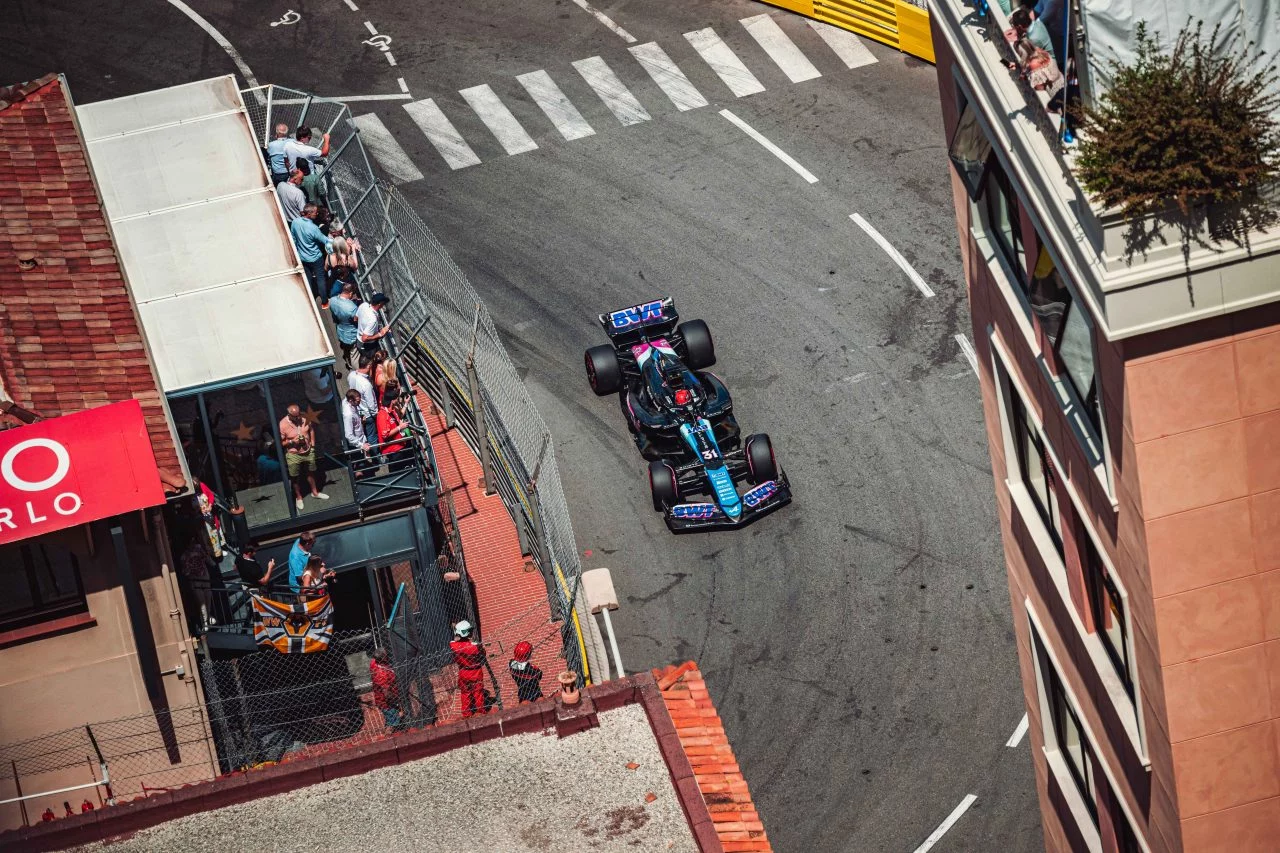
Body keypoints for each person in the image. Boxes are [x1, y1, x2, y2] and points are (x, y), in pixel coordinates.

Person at [278, 404, 328, 511]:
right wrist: (292, 441)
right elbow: (281, 443)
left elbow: (311, 430)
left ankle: (315, 492)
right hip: (293, 454)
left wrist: (313, 446)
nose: (298, 418)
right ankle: (299, 497)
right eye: (295, 416)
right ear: (289, 415)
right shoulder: (282, 424)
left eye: (299, 415)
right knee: (294, 477)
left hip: (308, 451)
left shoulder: (305, 418)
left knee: (311, 472)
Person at [289, 204, 333, 306]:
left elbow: (294, 239)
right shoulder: (313, 228)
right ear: (309, 214)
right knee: (320, 279)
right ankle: (324, 301)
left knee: (308, 278)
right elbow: (324, 240)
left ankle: (309, 298)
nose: (317, 213)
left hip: (302, 256)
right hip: (316, 257)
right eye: (315, 212)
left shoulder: (295, 222)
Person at [450, 620, 487, 718]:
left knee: (465, 693)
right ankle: (480, 711)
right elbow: (483, 655)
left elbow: (455, 641)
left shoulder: (453, 645)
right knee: (478, 693)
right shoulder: (475, 647)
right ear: (468, 632)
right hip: (475, 671)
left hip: (463, 671)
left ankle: (466, 713)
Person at [377, 388, 413, 470]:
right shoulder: (382, 415)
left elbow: (400, 416)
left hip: (400, 446)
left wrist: (406, 403)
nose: (398, 399)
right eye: (397, 398)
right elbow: (385, 435)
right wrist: (400, 427)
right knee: (397, 471)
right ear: (392, 400)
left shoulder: (391, 410)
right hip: (393, 451)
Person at [348, 354, 379, 446]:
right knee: (371, 437)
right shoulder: (366, 385)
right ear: (369, 366)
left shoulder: (351, 375)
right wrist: (376, 415)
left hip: (358, 412)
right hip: (368, 415)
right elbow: (371, 405)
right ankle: (377, 456)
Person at [329, 281, 361, 368]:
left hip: (340, 331)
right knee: (354, 355)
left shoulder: (332, 300)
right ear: (350, 293)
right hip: (351, 334)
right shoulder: (352, 307)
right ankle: (356, 370)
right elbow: (356, 319)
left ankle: (348, 363)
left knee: (346, 350)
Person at [369, 648, 403, 729]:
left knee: (392, 720)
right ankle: (390, 737)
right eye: (386, 655)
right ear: (383, 658)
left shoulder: (374, 663)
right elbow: (387, 694)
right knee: (393, 724)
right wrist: (398, 702)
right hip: (387, 703)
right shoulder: (381, 674)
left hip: (388, 699)